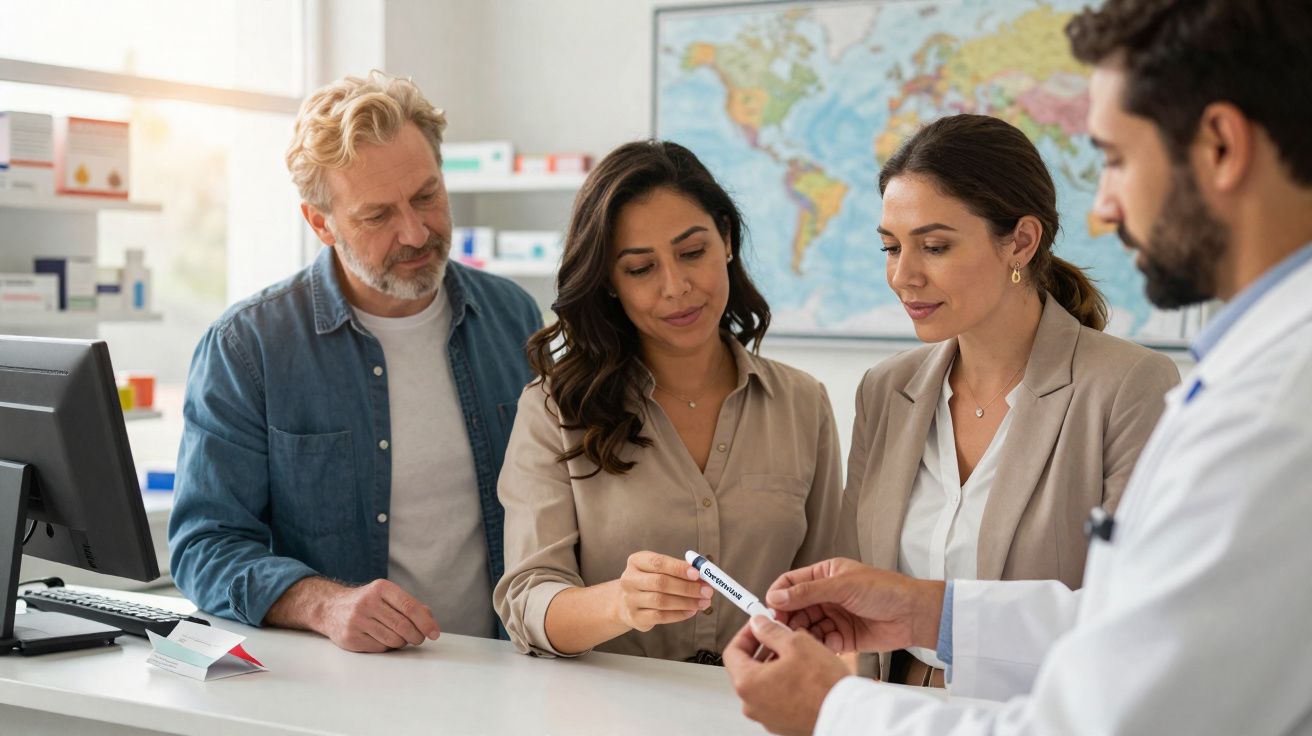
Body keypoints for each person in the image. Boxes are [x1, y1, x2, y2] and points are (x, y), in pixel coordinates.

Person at [723, 1, 1312, 732]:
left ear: (1221, 145)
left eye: (1118, 158)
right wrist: (920, 609)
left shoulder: (1273, 403)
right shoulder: (1261, 370)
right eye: (890, 246)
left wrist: (832, 710)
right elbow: (1123, 622)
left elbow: (1107, 716)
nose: (1103, 204)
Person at [169, 72, 541, 652]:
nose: (416, 232)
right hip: (344, 691)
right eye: (377, 216)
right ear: (321, 223)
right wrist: (323, 603)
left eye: (427, 196)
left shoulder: (512, 317)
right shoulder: (249, 348)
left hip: (505, 672)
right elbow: (205, 546)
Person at [840, 113, 1178, 687]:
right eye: (891, 248)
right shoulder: (885, 390)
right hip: (891, 711)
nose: (904, 276)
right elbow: (856, 591)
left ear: (1021, 241)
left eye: (936, 246)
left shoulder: (1129, 387)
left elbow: (1141, 616)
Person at [493, 140, 842, 664]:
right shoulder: (554, 411)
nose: (676, 287)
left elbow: (826, 595)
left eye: (692, 253)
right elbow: (527, 601)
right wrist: (619, 603)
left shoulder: (803, 404)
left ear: (726, 239)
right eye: (640, 269)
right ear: (610, 282)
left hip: (760, 711)